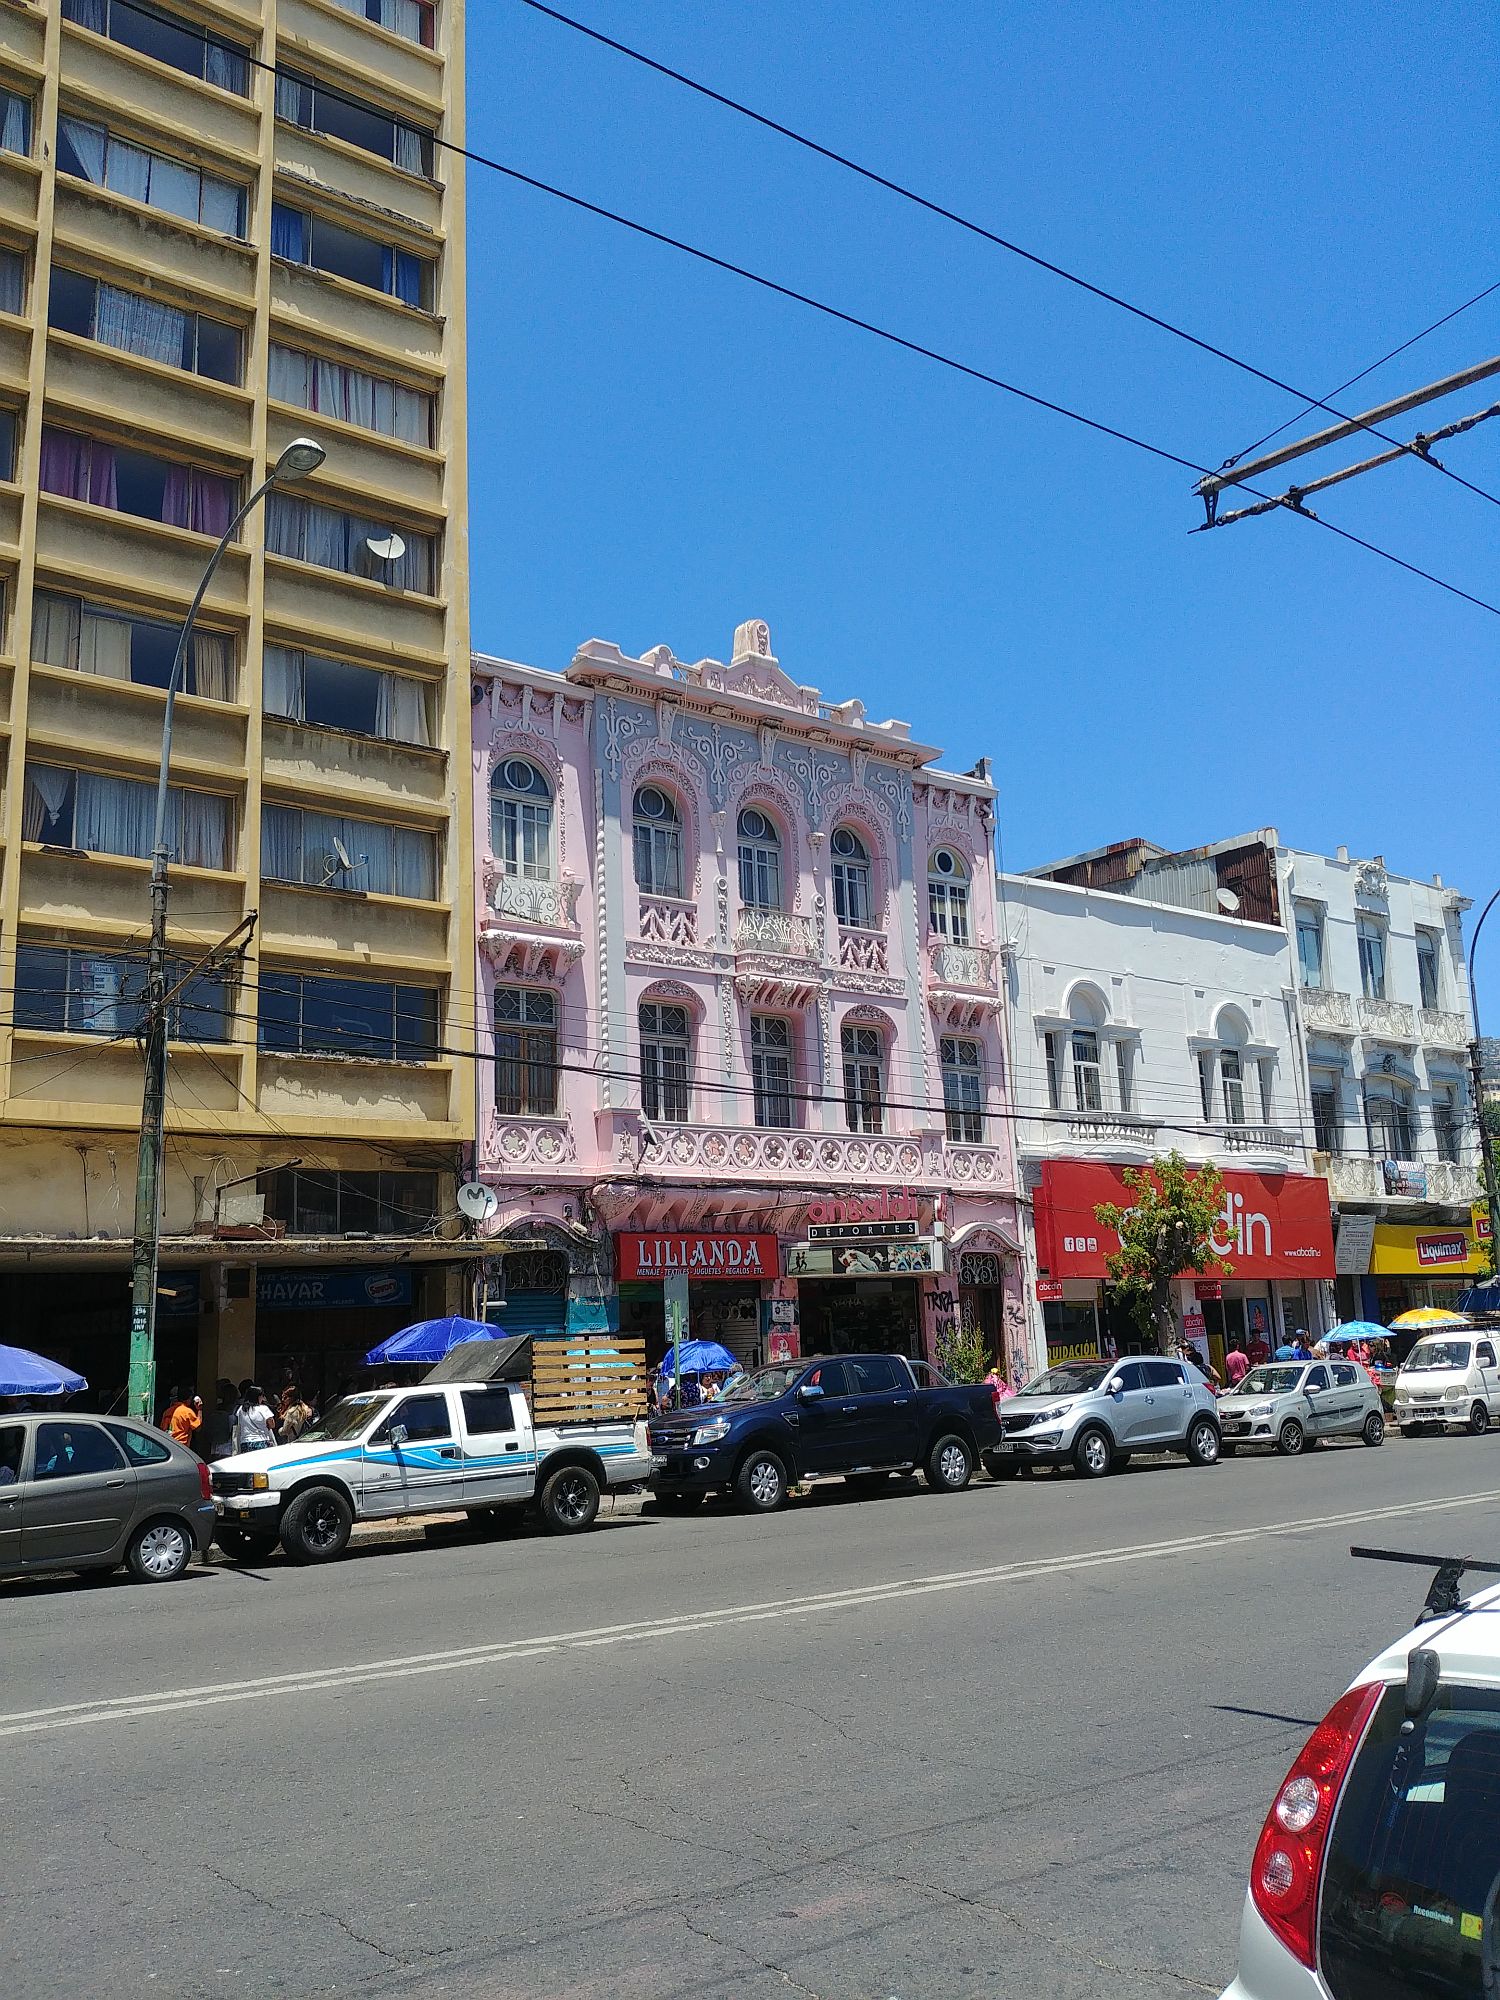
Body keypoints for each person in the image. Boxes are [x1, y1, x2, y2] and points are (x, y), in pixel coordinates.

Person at [230, 1381, 277, 1453]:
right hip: (261, 1441)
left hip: (245, 1442)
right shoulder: (264, 1409)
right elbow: (272, 1425)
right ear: (258, 1396)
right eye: (262, 1396)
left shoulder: (241, 1409)